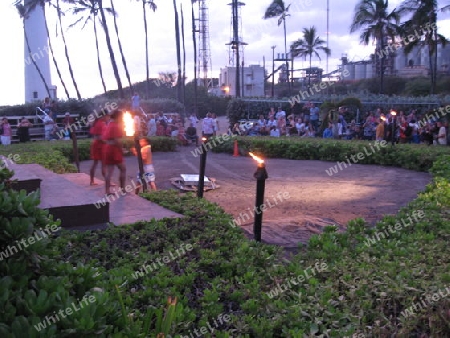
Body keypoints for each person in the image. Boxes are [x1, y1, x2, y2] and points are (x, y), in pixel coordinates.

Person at [102, 110, 126, 195]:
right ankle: (122, 189)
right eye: (121, 117)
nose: (122, 119)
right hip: (114, 149)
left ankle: (107, 191)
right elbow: (117, 140)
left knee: (110, 171)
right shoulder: (115, 126)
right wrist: (122, 149)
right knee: (123, 169)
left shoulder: (109, 124)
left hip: (108, 148)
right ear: (118, 117)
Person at [89, 114, 107, 185]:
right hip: (99, 145)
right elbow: (99, 137)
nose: (107, 117)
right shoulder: (99, 124)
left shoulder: (98, 123)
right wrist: (108, 142)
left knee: (97, 163)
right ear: (103, 116)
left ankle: (92, 180)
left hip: (98, 144)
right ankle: (106, 180)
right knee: (101, 163)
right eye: (106, 116)